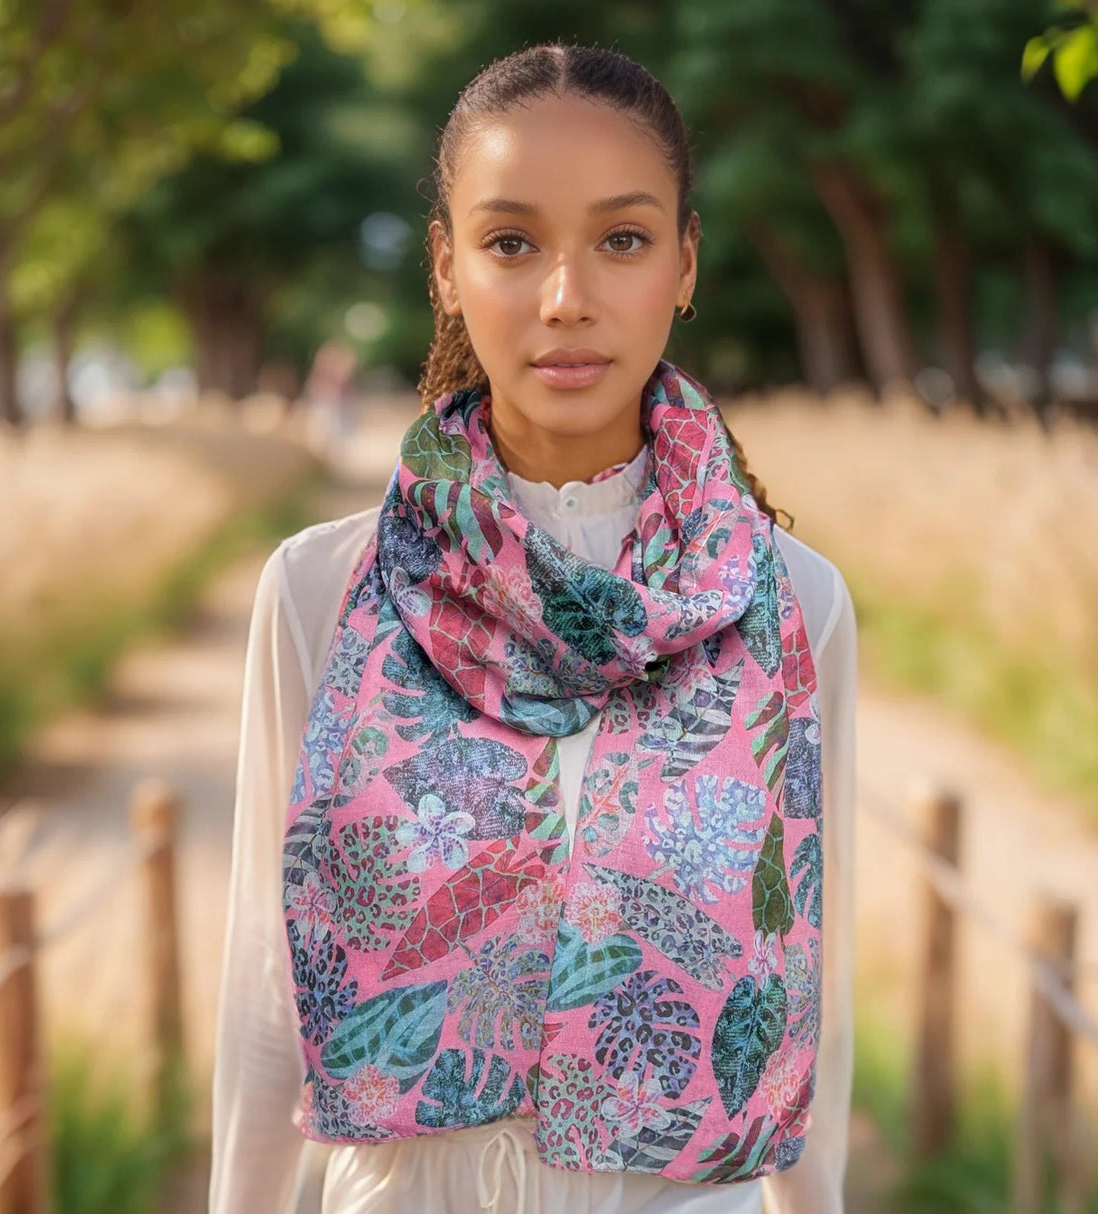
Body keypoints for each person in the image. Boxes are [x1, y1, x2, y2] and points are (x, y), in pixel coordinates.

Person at [210, 41, 857, 1214]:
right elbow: (268, 988)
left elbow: (809, 982)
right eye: (512, 242)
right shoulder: (326, 590)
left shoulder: (788, 603)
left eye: (620, 239)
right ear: (446, 267)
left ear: (684, 262)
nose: (566, 297)